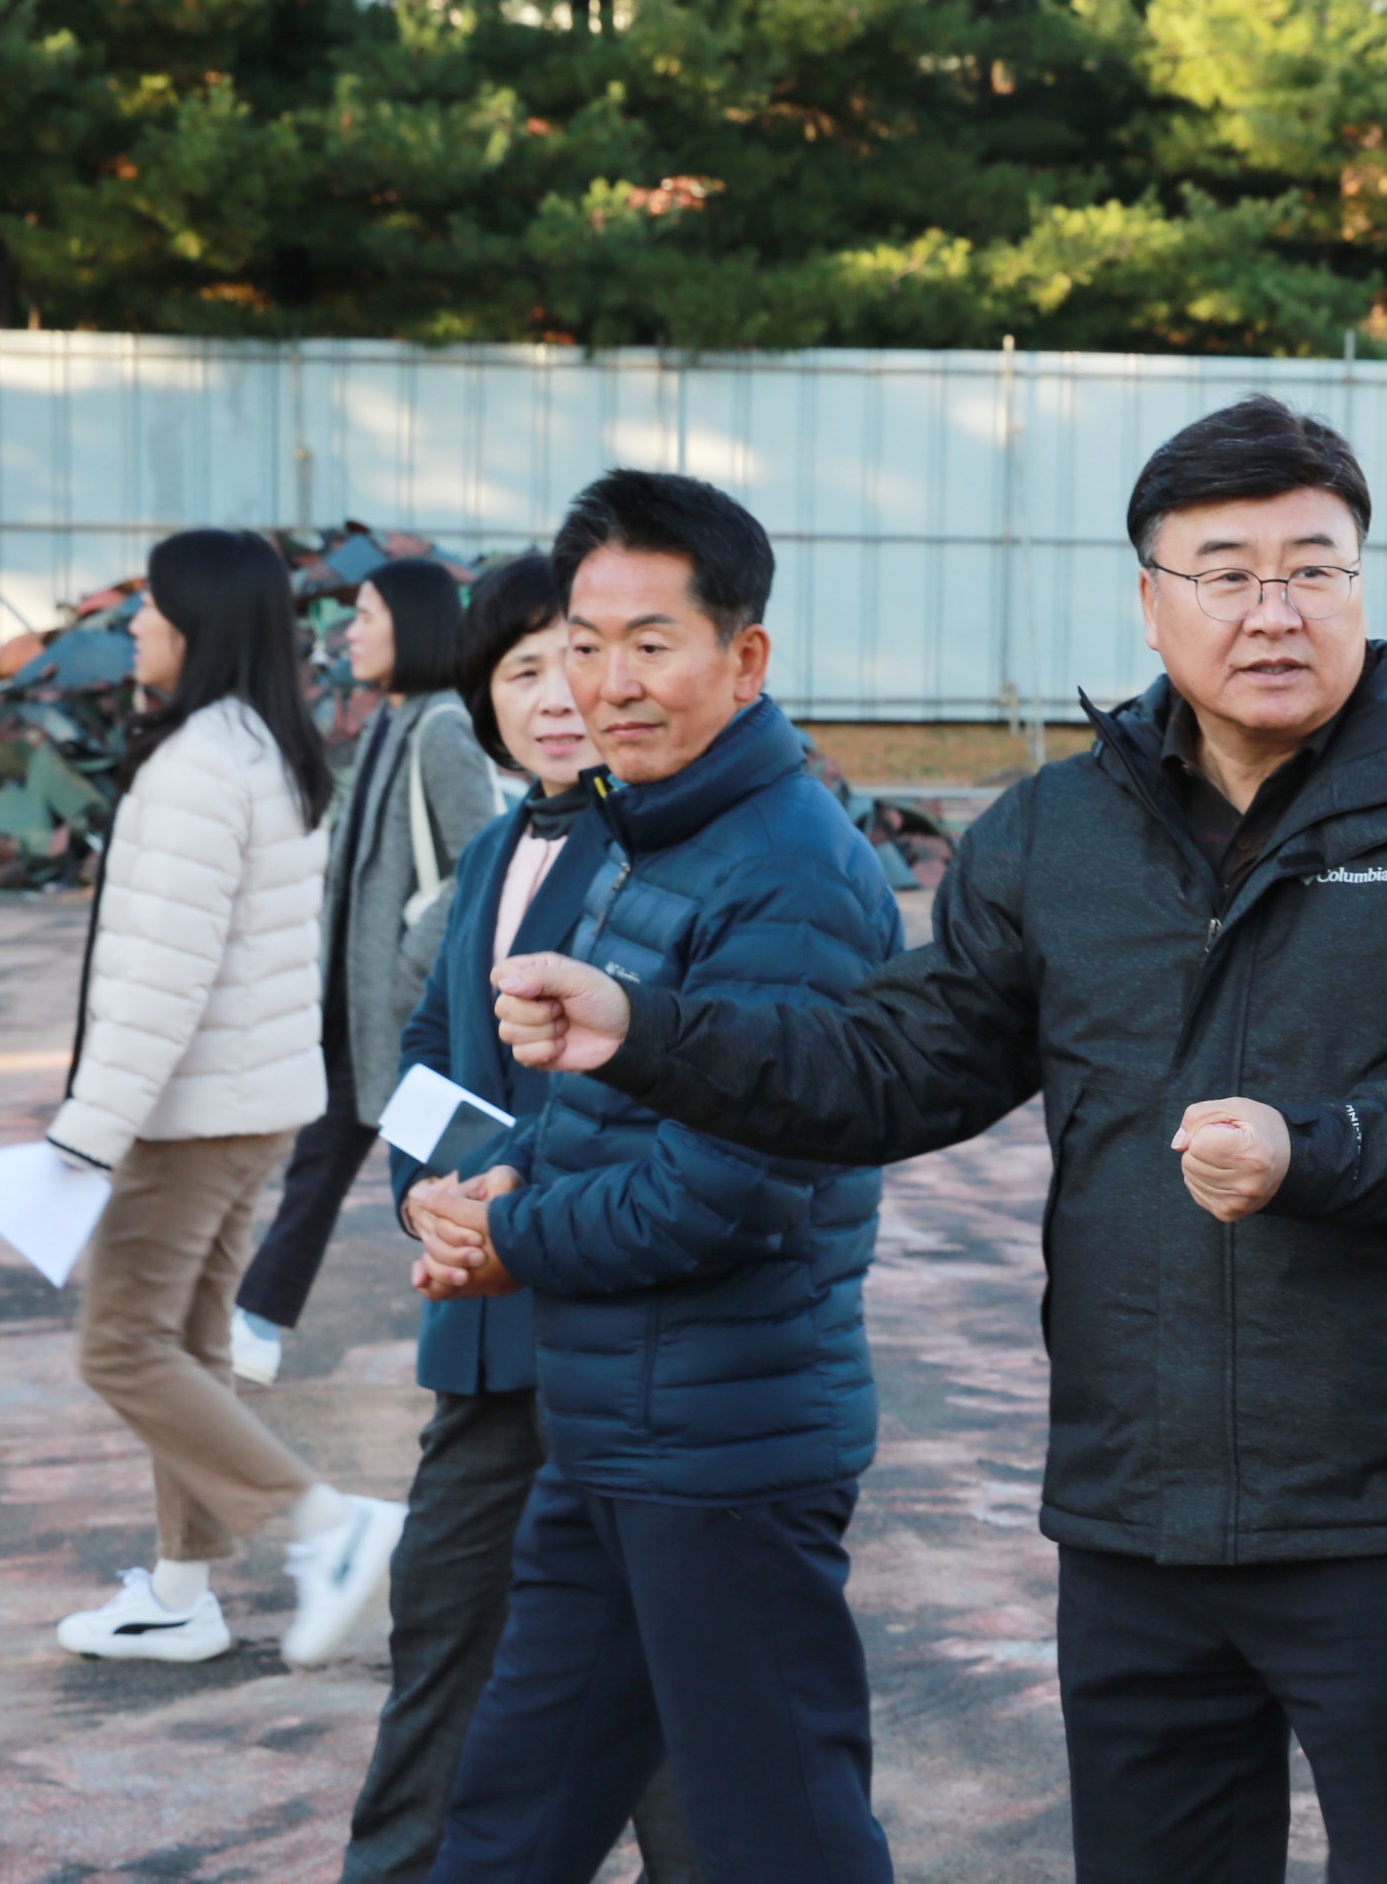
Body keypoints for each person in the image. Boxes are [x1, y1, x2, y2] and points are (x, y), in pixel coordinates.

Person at [490, 394, 1387, 1884]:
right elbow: (891, 1067)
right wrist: (648, 1030)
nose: (1272, 610)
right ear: (1150, 603)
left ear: (1362, 582)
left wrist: (1316, 1148)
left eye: (1313, 568)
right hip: (1133, 1505)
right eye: (1224, 571)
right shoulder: (1055, 833)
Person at [410, 470, 903, 1884]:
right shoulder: (642, 834)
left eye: (650, 642)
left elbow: (726, 1189)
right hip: (612, 1430)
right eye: (584, 638)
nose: (605, 680)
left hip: (728, 1452)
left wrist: (513, 1242)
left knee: (779, 1838)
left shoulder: (790, 873)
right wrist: (491, 1189)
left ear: (743, 659)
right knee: (510, 1818)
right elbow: (597, 1120)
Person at [338, 554, 695, 1884]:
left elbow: (673, 1087)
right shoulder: (500, 844)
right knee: (443, 1640)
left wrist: (508, 1198)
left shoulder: (666, 843)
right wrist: (430, 1198)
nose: (555, 697)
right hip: (485, 1341)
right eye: (519, 670)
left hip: (618, 1327)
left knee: (661, 1689)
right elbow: (427, 1058)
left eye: (577, 661)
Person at [48, 528, 407, 1667]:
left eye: (150, 610)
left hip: (190, 1111)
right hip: (250, 1102)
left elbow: (164, 979)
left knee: (120, 1347)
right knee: (192, 1346)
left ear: (196, 627)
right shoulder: (264, 746)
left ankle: (326, 1529)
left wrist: (84, 1141)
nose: (136, 628)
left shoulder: (203, 764)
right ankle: (180, 1590)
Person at [231, 556, 500, 1385]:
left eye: (368, 614)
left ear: (412, 626)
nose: (351, 630)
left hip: (397, 1005)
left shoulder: (442, 728)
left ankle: (257, 1324)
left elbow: (477, 862)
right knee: (344, 1162)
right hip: (359, 1006)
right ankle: (255, 1322)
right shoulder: (393, 719)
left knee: (447, 1160)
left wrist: (407, 957)